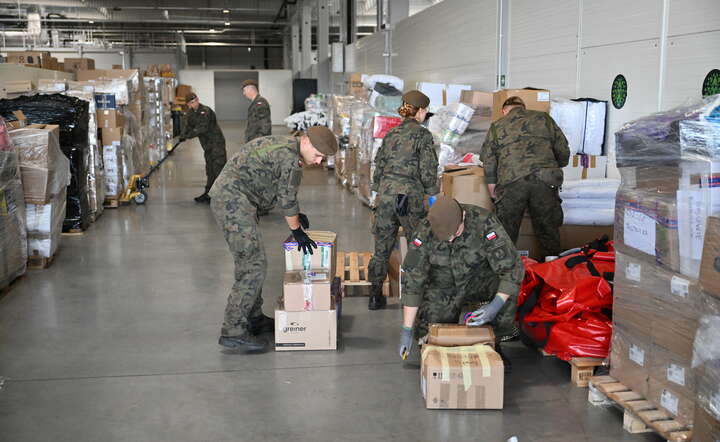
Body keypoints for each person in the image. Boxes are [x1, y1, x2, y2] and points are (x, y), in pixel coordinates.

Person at [208, 127, 338, 352]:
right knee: (253, 265)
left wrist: (296, 215)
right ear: (305, 141)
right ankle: (234, 330)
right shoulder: (290, 160)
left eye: (323, 159)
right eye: (317, 155)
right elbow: (287, 199)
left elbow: (276, 187)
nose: (318, 162)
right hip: (233, 202)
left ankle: (254, 317)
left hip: (236, 198)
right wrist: (297, 231)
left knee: (253, 261)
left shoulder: (285, 145)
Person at [397, 196, 524, 370]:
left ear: (463, 216)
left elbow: (512, 268)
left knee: (507, 292)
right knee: (431, 330)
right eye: (444, 237)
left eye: (455, 233)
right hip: (444, 286)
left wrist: (495, 305)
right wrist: (406, 329)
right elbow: (412, 282)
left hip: (479, 280)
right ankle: (437, 345)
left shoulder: (484, 222)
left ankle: (494, 343)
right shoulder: (424, 231)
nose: (450, 240)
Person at [366, 90, 439, 311]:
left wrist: (377, 191)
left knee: (381, 249)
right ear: (421, 111)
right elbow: (428, 170)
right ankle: (414, 297)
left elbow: (378, 167)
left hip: (386, 196)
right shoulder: (423, 135)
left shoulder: (391, 134)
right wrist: (432, 195)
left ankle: (375, 296)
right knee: (417, 246)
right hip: (408, 198)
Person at [480, 96, 570, 258]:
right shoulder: (544, 119)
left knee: (506, 232)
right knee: (548, 229)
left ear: (504, 111)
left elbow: (489, 161)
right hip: (545, 180)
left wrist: (492, 188)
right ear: (523, 107)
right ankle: (551, 270)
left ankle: (506, 271)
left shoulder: (497, 126)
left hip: (511, 181)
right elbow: (563, 150)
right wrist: (555, 166)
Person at [179, 92, 227, 203]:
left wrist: (188, 136)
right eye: (191, 103)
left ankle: (223, 195)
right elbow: (188, 126)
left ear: (198, 100)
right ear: (188, 104)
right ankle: (208, 194)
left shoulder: (205, 111)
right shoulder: (190, 113)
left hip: (216, 143)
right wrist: (183, 135)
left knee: (218, 169)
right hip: (207, 146)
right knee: (210, 170)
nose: (194, 104)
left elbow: (202, 128)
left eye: (195, 101)